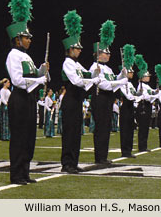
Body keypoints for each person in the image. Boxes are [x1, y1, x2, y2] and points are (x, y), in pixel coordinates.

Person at [6, 0, 48, 185]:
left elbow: (31, 76)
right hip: (20, 98)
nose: (30, 40)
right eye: (26, 37)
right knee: (20, 137)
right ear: (17, 39)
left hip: (29, 98)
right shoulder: (13, 55)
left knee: (29, 137)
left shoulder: (28, 57)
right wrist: (39, 80)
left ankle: (25, 172)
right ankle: (16, 174)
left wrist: (42, 71)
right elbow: (17, 80)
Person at [60, 10, 99, 173]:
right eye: (77, 48)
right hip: (70, 99)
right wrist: (93, 80)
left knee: (76, 132)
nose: (80, 50)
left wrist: (96, 74)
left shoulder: (77, 64)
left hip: (77, 100)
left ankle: (74, 162)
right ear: (70, 48)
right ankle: (67, 163)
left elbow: (88, 74)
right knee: (69, 132)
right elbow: (77, 81)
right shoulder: (68, 63)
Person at [89, 20, 128, 165]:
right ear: (99, 54)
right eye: (106, 52)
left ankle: (103, 156)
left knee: (106, 128)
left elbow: (112, 81)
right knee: (100, 128)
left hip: (107, 99)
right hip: (100, 98)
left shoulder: (109, 69)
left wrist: (121, 75)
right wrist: (120, 82)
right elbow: (105, 85)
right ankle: (99, 157)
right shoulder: (95, 67)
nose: (109, 54)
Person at [119, 44, 140, 158]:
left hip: (131, 107)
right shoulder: (123, 82)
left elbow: (134, 95)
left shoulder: (131, 84)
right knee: (125, 130)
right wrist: (134, 96)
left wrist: (136, 95)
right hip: (125, 107)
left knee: (130, 129)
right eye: (130, 72)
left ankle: (129, 150)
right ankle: (125, 151)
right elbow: (129, 96)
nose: (132, 73)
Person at [134, 54, 158, 152]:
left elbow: (152, 92)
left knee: (146, 127)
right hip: (143, 105)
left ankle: (144, 145)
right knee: (143, 127)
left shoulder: (146, 86)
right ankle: (141, 146)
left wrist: (156, 92)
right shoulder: (141, 86)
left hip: (147, 105)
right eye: (147, 76)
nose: (148, 78)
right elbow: (146, 96)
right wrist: (154, 95)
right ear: (143, 77)